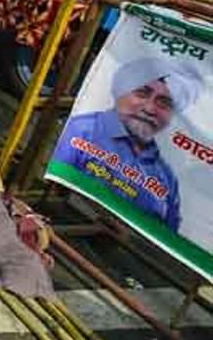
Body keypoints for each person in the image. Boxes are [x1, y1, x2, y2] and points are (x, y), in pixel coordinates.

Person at [51, 58, 196, 231]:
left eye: (164, 103)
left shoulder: (167, 178)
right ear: (120, 91)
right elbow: (55, 184)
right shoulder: (82, 130)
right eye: (142, 93)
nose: (149, 109)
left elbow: (169, 234)